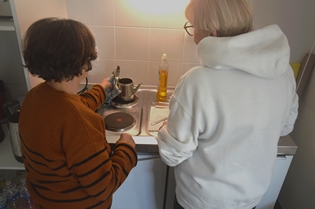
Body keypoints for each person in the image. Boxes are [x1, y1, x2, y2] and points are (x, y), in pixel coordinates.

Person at [156, 0, 299, 209]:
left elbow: (172, 155)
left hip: (200, 202)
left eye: (192, 26)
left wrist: (165, 130)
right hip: (250, 199)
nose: (192, 34)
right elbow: (286, 127)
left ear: (211, 32)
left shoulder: (198, 81)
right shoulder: (283, 72)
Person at [19, 17, 137, 209]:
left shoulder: (34, 97)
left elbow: (76, 104)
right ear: (82, 62)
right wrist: (126, 148)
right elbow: (104, 186)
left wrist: (102, 88)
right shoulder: (80, 122)